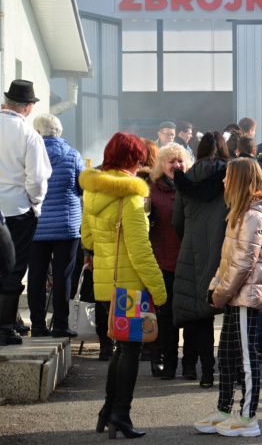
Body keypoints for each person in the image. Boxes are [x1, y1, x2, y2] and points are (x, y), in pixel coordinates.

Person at [80, 132, 167, 439]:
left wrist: (97, 255)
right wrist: (159, 290)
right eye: (140, 160)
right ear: (132, 160)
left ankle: (108, 410)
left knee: (120, 349)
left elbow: (87, 238)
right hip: (131, 286)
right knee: (130, 350)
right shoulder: (130, 197)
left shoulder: (92, 191)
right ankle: (120, 414)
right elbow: (140, 251)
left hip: (106, 283)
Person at [193, 157, 262, 437]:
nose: (223, 180)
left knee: (244, 356)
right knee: (228, 354)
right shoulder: (241, 212)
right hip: (236, 294)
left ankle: (248, 416)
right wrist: (215, 289)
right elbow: (227, 259)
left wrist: (218, 293)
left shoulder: (252, 215)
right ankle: (224, 409)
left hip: (246, 296)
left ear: (240, 180)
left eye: (228, 176)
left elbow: (242, 264)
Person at [173, 131, 230, 388]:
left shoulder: (186, 178)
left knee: (198, 311)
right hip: (226, 249)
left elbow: (177, 221)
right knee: (231, 312)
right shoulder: (232, 174)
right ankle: (229, 369)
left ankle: (200, 370)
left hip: (192, 248)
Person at [0, 80, 52, 346]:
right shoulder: (28, 134)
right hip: (17, 210)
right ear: (28, 107)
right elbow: (37, 179)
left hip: (11, 207)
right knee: (13, 268)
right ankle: (5, 327)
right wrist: (35, 203)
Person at [27, 114, 86, 338]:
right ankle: (61, 324)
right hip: (66, 227)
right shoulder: (73, 155)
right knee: (63, 276)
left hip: (36, 225)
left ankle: (38, 326)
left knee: (36, 276)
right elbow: (82, 189)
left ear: (38, 132)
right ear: (59, 132)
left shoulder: (30, 155)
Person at [148, 143, 190, 380]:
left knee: (187, 316)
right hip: (162, 261)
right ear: (161, 165)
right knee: (164, 317)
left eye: (180, 161)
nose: (176, 165)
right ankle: (161, 361)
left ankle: (187, 364)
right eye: (171, 161)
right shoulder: (152, 191)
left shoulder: (191, 189)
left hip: (186, 262)